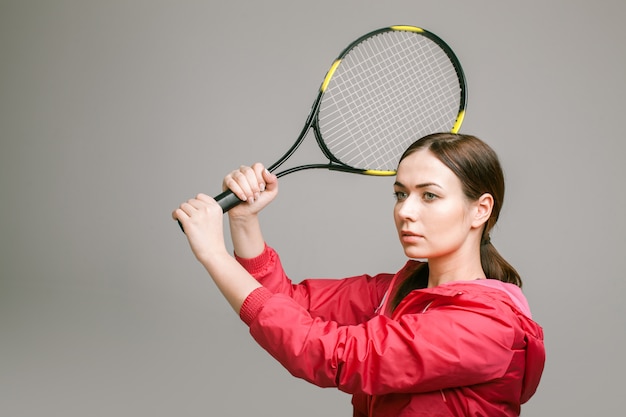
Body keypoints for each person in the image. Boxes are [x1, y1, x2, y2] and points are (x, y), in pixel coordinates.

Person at [172, 132, 545, 416]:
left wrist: (214, 256)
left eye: (428, 195)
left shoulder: (486, 325)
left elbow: (335, 355)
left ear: (480, 210)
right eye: (400, 194)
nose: (405, 211)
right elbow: (289, 302)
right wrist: (243, 220)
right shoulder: (396, 291)